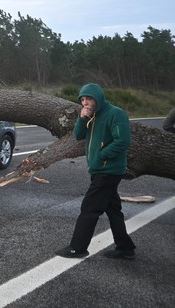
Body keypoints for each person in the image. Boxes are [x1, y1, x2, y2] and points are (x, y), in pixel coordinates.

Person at [56, 83, 136, 260]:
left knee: (89, 208)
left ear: (98, 97)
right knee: (113, 209)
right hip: (99, 169)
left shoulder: (116, 114)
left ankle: (77, 248)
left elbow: (123, 141)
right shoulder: (90, 115)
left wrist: (101, 155)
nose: (85, 102)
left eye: (89, 98)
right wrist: (82, 118)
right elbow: (78, 135)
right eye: (82, 99)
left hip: (108, 171)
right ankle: (125, 248)